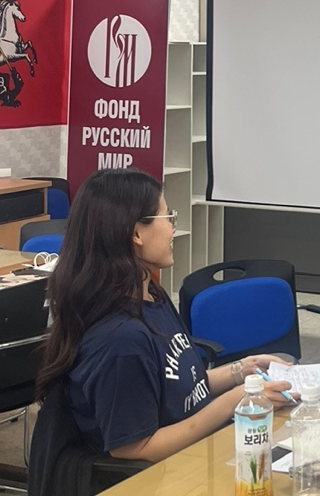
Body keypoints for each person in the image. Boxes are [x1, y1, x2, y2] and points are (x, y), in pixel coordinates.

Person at [36, 168, 293, 461]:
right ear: (136, 233)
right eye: (167, 217)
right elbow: (135, 448)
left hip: (198, 453)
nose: (172, 228)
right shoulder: (120, 339)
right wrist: (235, 401)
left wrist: (242, 370)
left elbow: (182, 389)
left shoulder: (151, 296)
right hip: (164, 477)